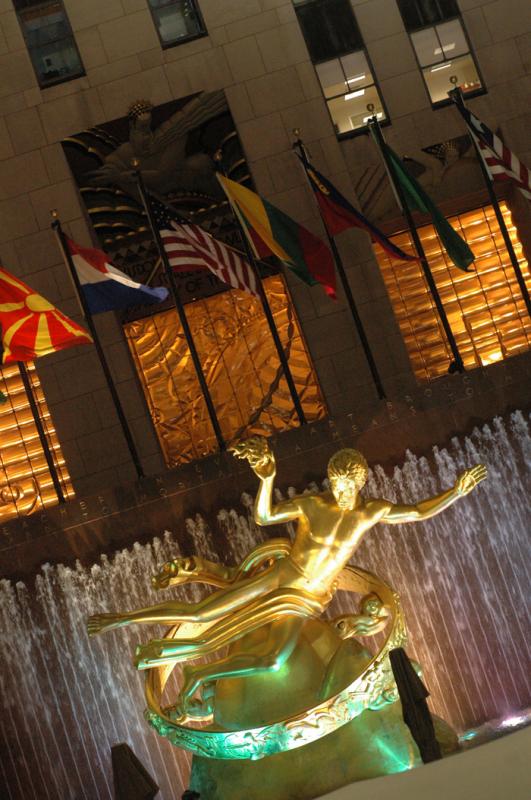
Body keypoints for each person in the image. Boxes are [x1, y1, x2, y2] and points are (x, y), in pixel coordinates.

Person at [88, 437, 486, 714]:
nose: (340, 490)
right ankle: (120, 620)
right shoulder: (313, 503)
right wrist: (267, 478)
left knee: (273, 661)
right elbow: (264, 516)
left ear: (361, 482)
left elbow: (416, 512)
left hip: (308, 597)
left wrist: (455, 491)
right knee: (199, 616)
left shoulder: (370, 511)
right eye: (335, 482)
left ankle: (196, 674)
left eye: (347, 485)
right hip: (283, 574)